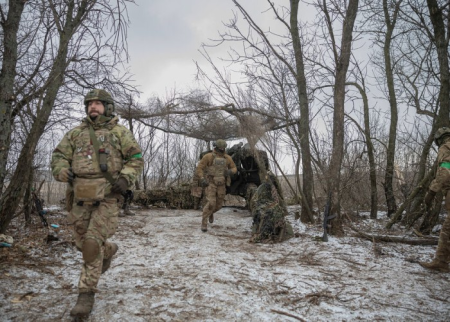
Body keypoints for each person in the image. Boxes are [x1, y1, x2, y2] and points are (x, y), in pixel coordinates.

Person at [51, 89, 144, 317]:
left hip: (109, 196)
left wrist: (125, 178)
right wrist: (62, 171)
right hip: (80, 197)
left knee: (91, 245)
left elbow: (135, 158)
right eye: (89, 103)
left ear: (107, 106)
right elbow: (58, 157)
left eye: (97, 103)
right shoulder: (75, 134)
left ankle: (85, 295)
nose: (93, 106)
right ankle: (109, 251)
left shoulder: (119, 132)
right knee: (82, 244)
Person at [419, 127, 450, 273]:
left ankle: (440, 262)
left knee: (447, 230)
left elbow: (445, 170)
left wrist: (431, 192)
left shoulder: (446, 147)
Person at [195, 139, 237, 232]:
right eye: (220, 147)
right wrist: (202, 178)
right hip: (211, 183)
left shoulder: (227, 158)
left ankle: (210, 213)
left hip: (222, 184)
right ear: (216, 147)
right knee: (211, 203)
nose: (222, 149)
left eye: (223, 148)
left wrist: (230, 171)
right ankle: (204, 223)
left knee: (218, 206)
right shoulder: (208, 156)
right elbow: (199, 168)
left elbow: (234, 168)